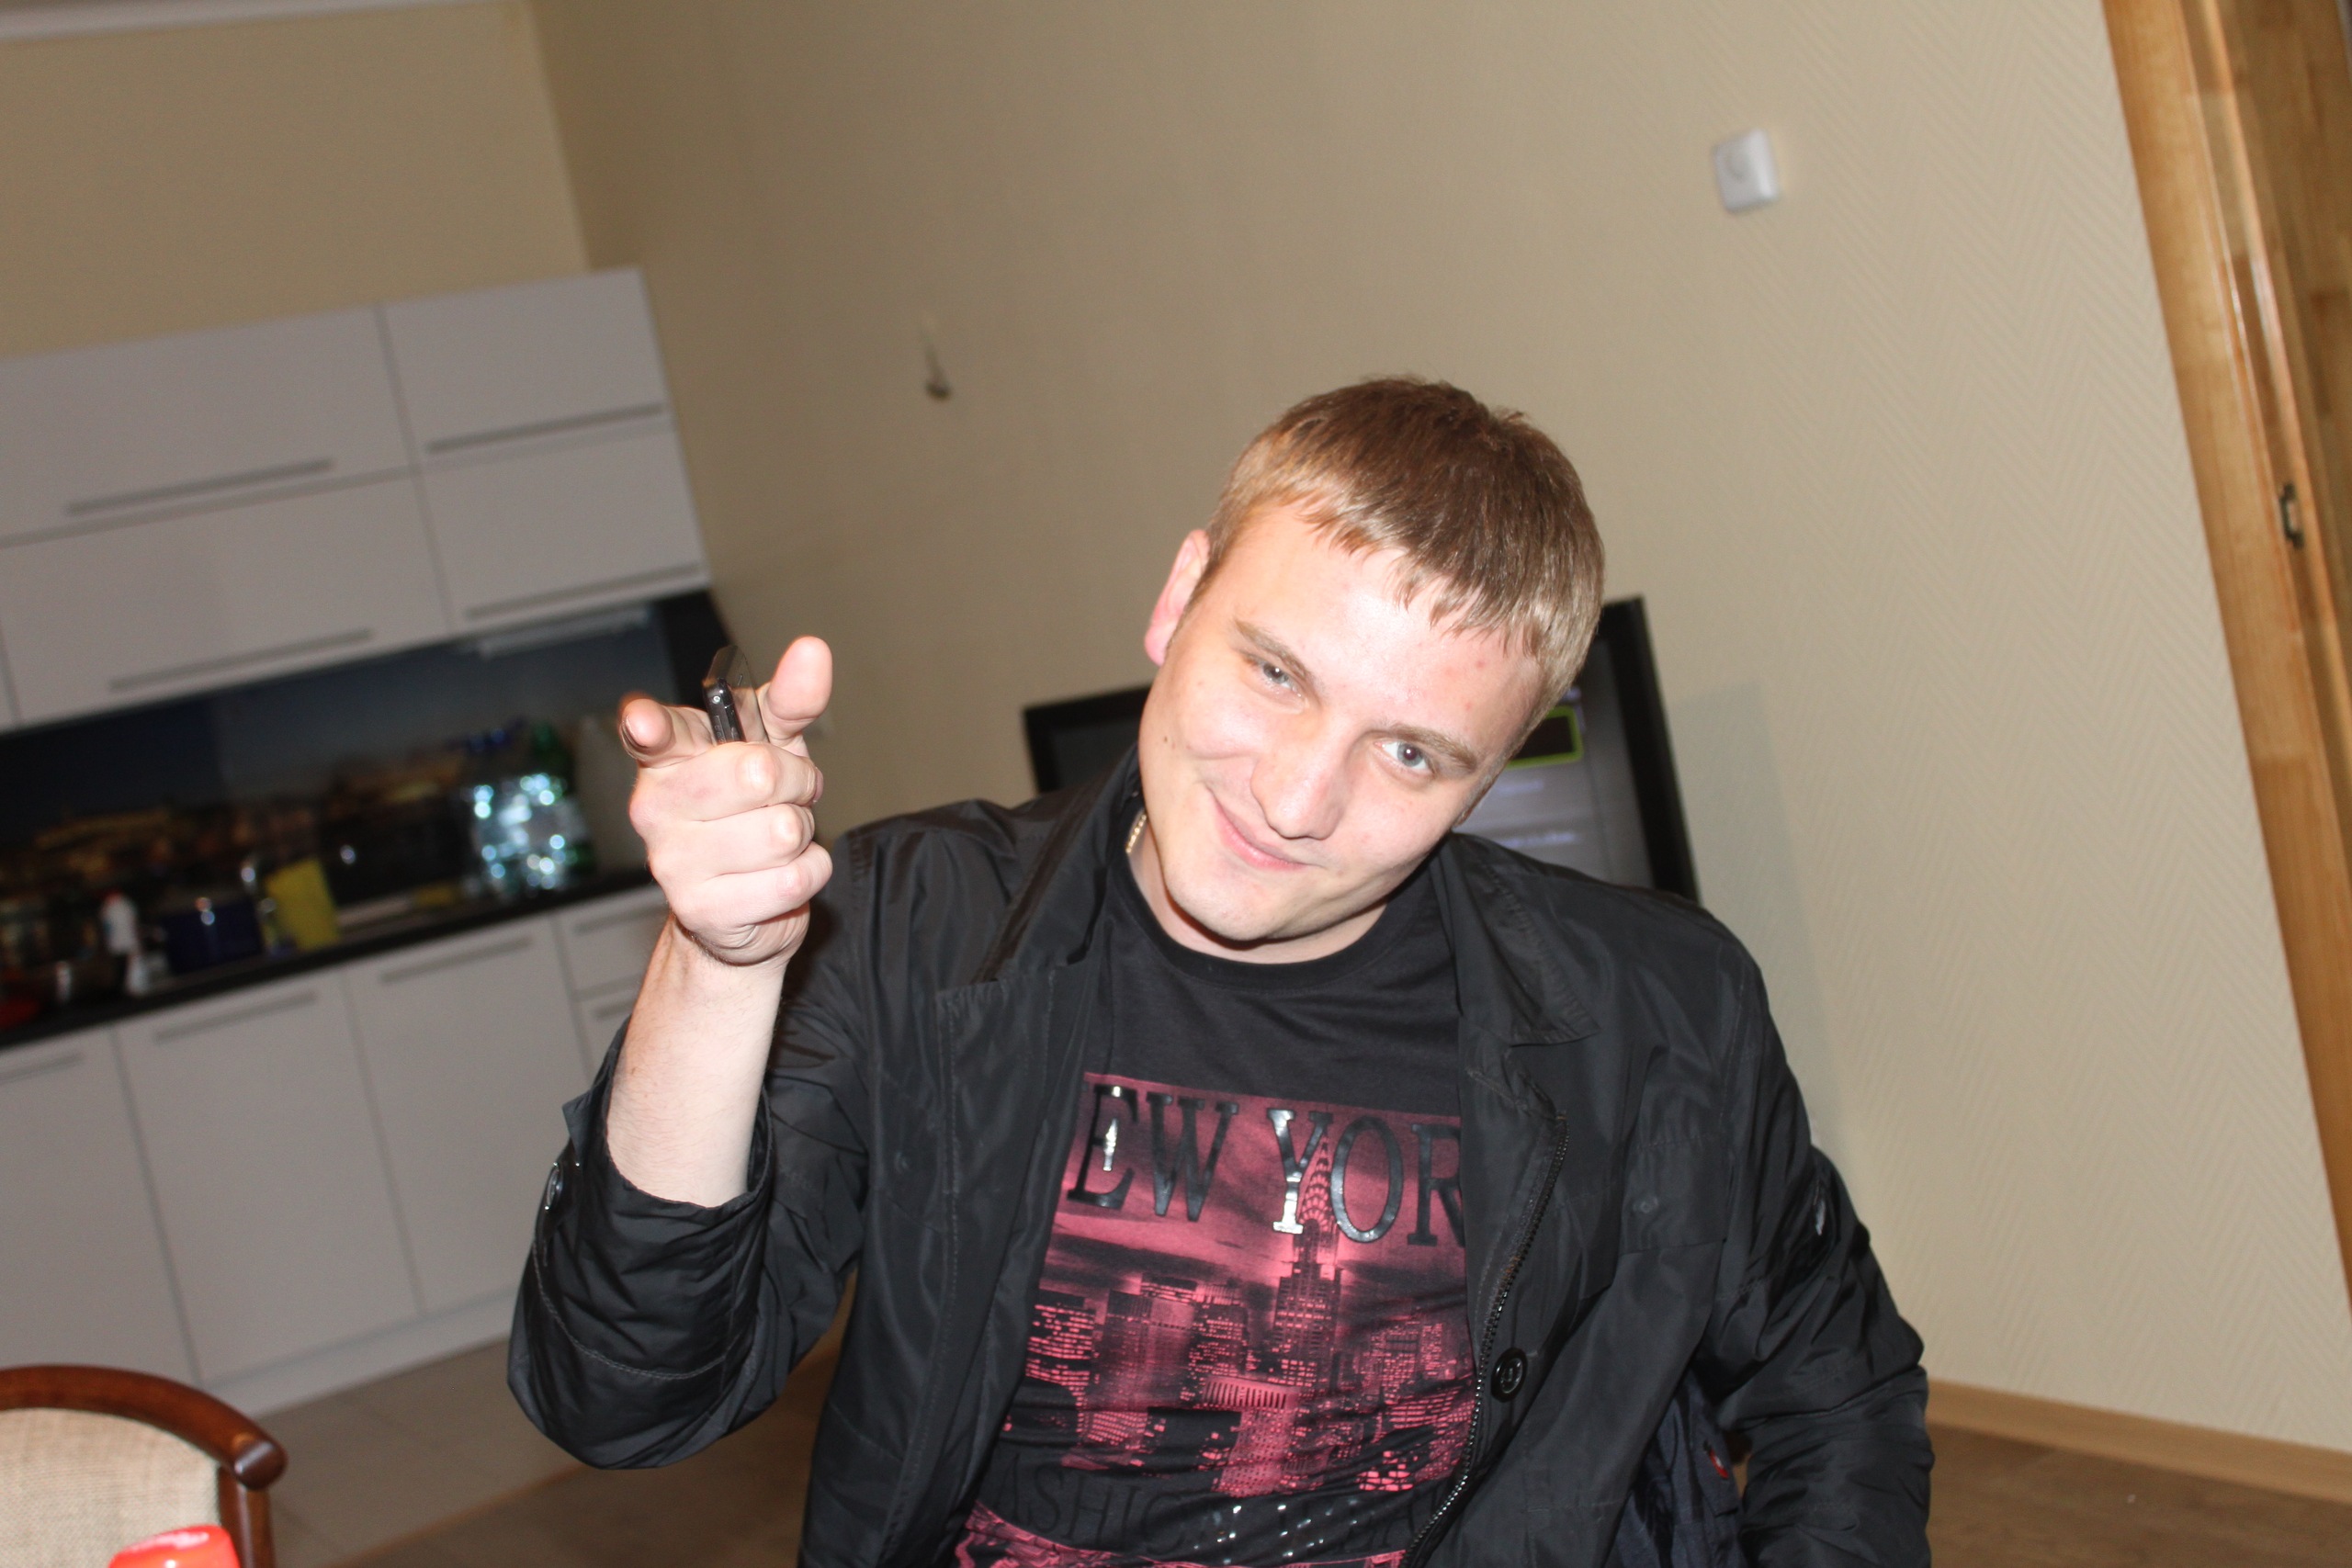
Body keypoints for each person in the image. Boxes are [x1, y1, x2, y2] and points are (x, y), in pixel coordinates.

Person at [511, 378, 1931, 1568]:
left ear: (1492, 774)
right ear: (1179, 597)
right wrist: (721, 963)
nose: (1298, 799)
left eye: (1412, 753)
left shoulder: (1659, 1010)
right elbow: (623, 1398)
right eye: (1276, 674)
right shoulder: (914, 929)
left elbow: (1837, 1391)